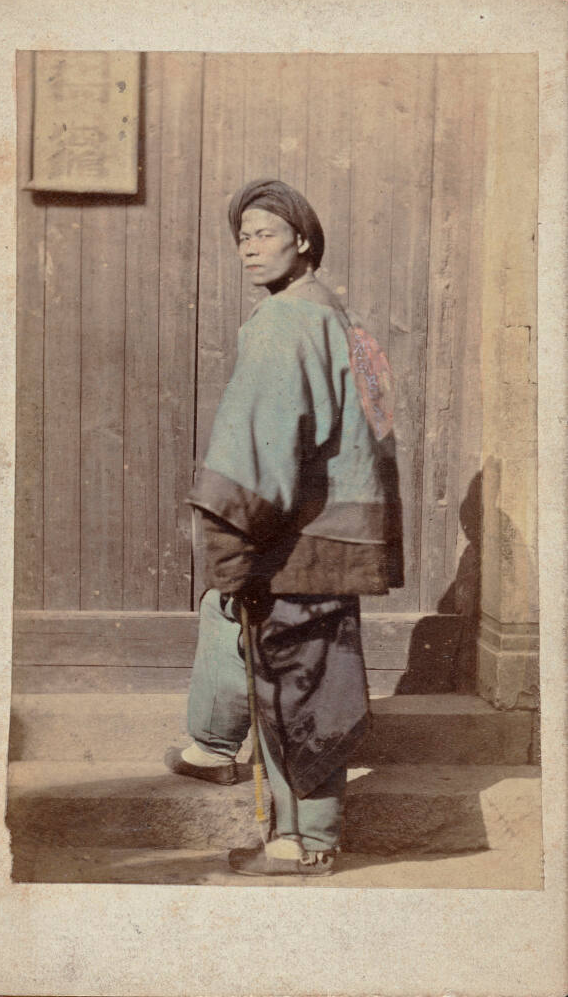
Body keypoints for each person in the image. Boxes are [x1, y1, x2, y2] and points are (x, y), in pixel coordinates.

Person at [166, 178, 399, 876]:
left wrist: (230, 536)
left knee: (297, 679)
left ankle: (305, 843)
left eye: (264, 234)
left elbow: (260, 442)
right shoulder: (335, 315)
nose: (249, 248)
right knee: (257, 638)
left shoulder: (284, 321)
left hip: (298, 535)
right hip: (331, 531)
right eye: (242, 238)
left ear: (302, 239)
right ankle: (216, 749)